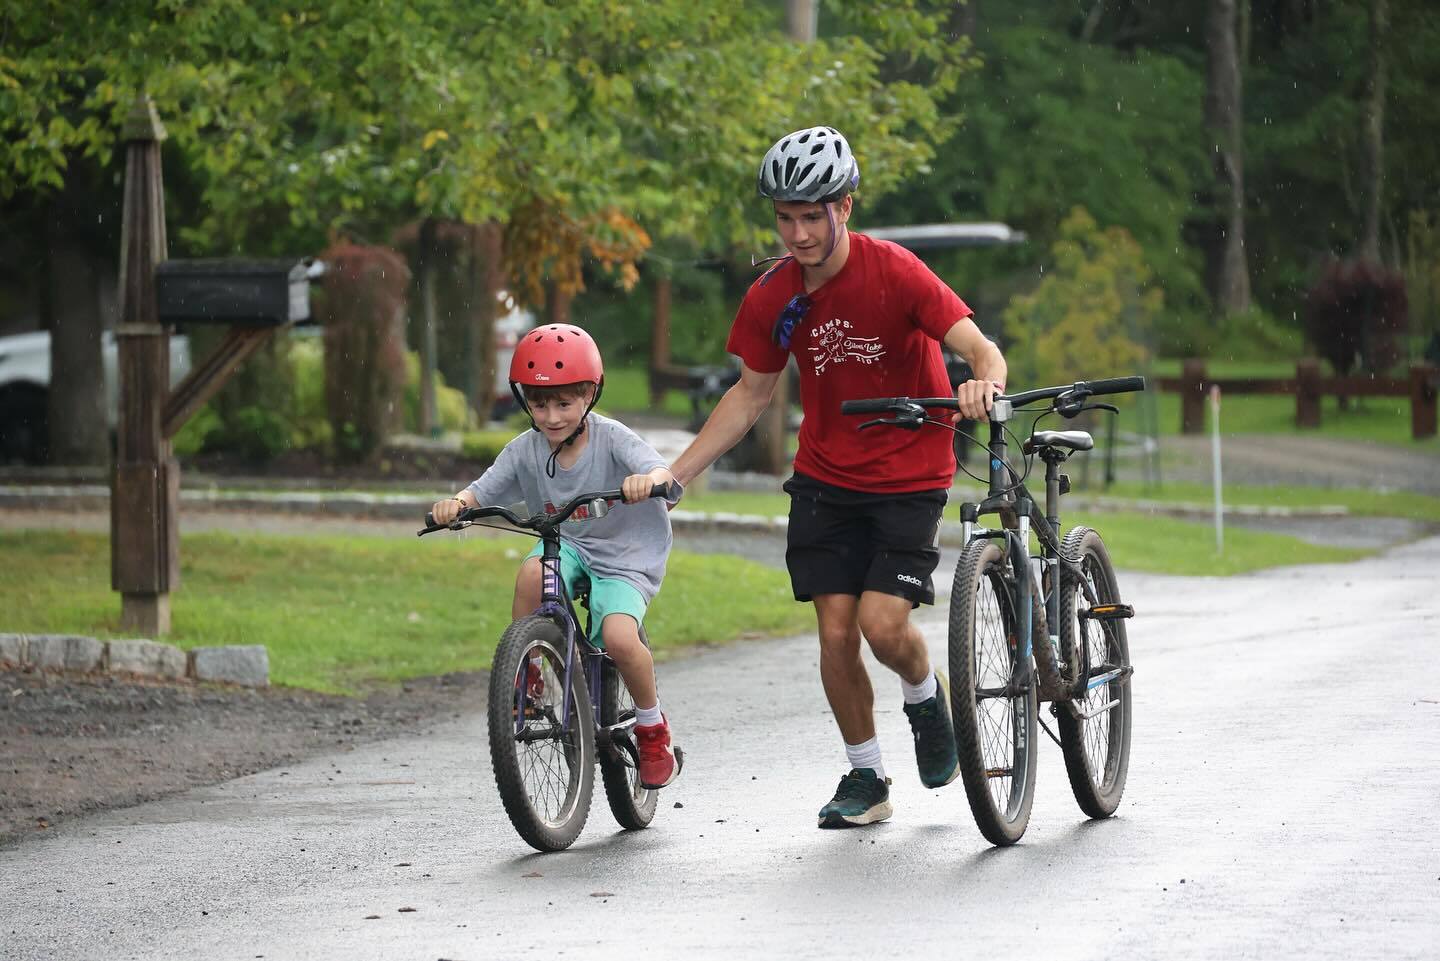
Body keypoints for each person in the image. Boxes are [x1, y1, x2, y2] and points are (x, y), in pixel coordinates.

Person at [670, 125, 1007, 828]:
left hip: (910, 471)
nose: (796, 233)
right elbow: (750, 394)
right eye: (784, 217)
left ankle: (924, 696)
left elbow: (980, 347)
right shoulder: (773, 296)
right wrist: (678, 474)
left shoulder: (896, 272)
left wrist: (982, 381)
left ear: (843, 207)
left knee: (884, 627)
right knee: (833, 634)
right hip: (825, 477)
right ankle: (865, 775)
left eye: (809, 215)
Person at [430, 325, 685, 789]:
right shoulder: (524, 450)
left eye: (564, 404)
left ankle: (652, 729)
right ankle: (525, 672)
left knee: (620, 639)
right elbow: (482, 489)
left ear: (589, 394)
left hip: (624, 555)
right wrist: (458, 505)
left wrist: (648, 479)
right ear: (523, 399)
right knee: (530, 575)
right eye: (539, 403)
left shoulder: (612, 439)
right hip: (567, 543)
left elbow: (657, 467)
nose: (551, 417)